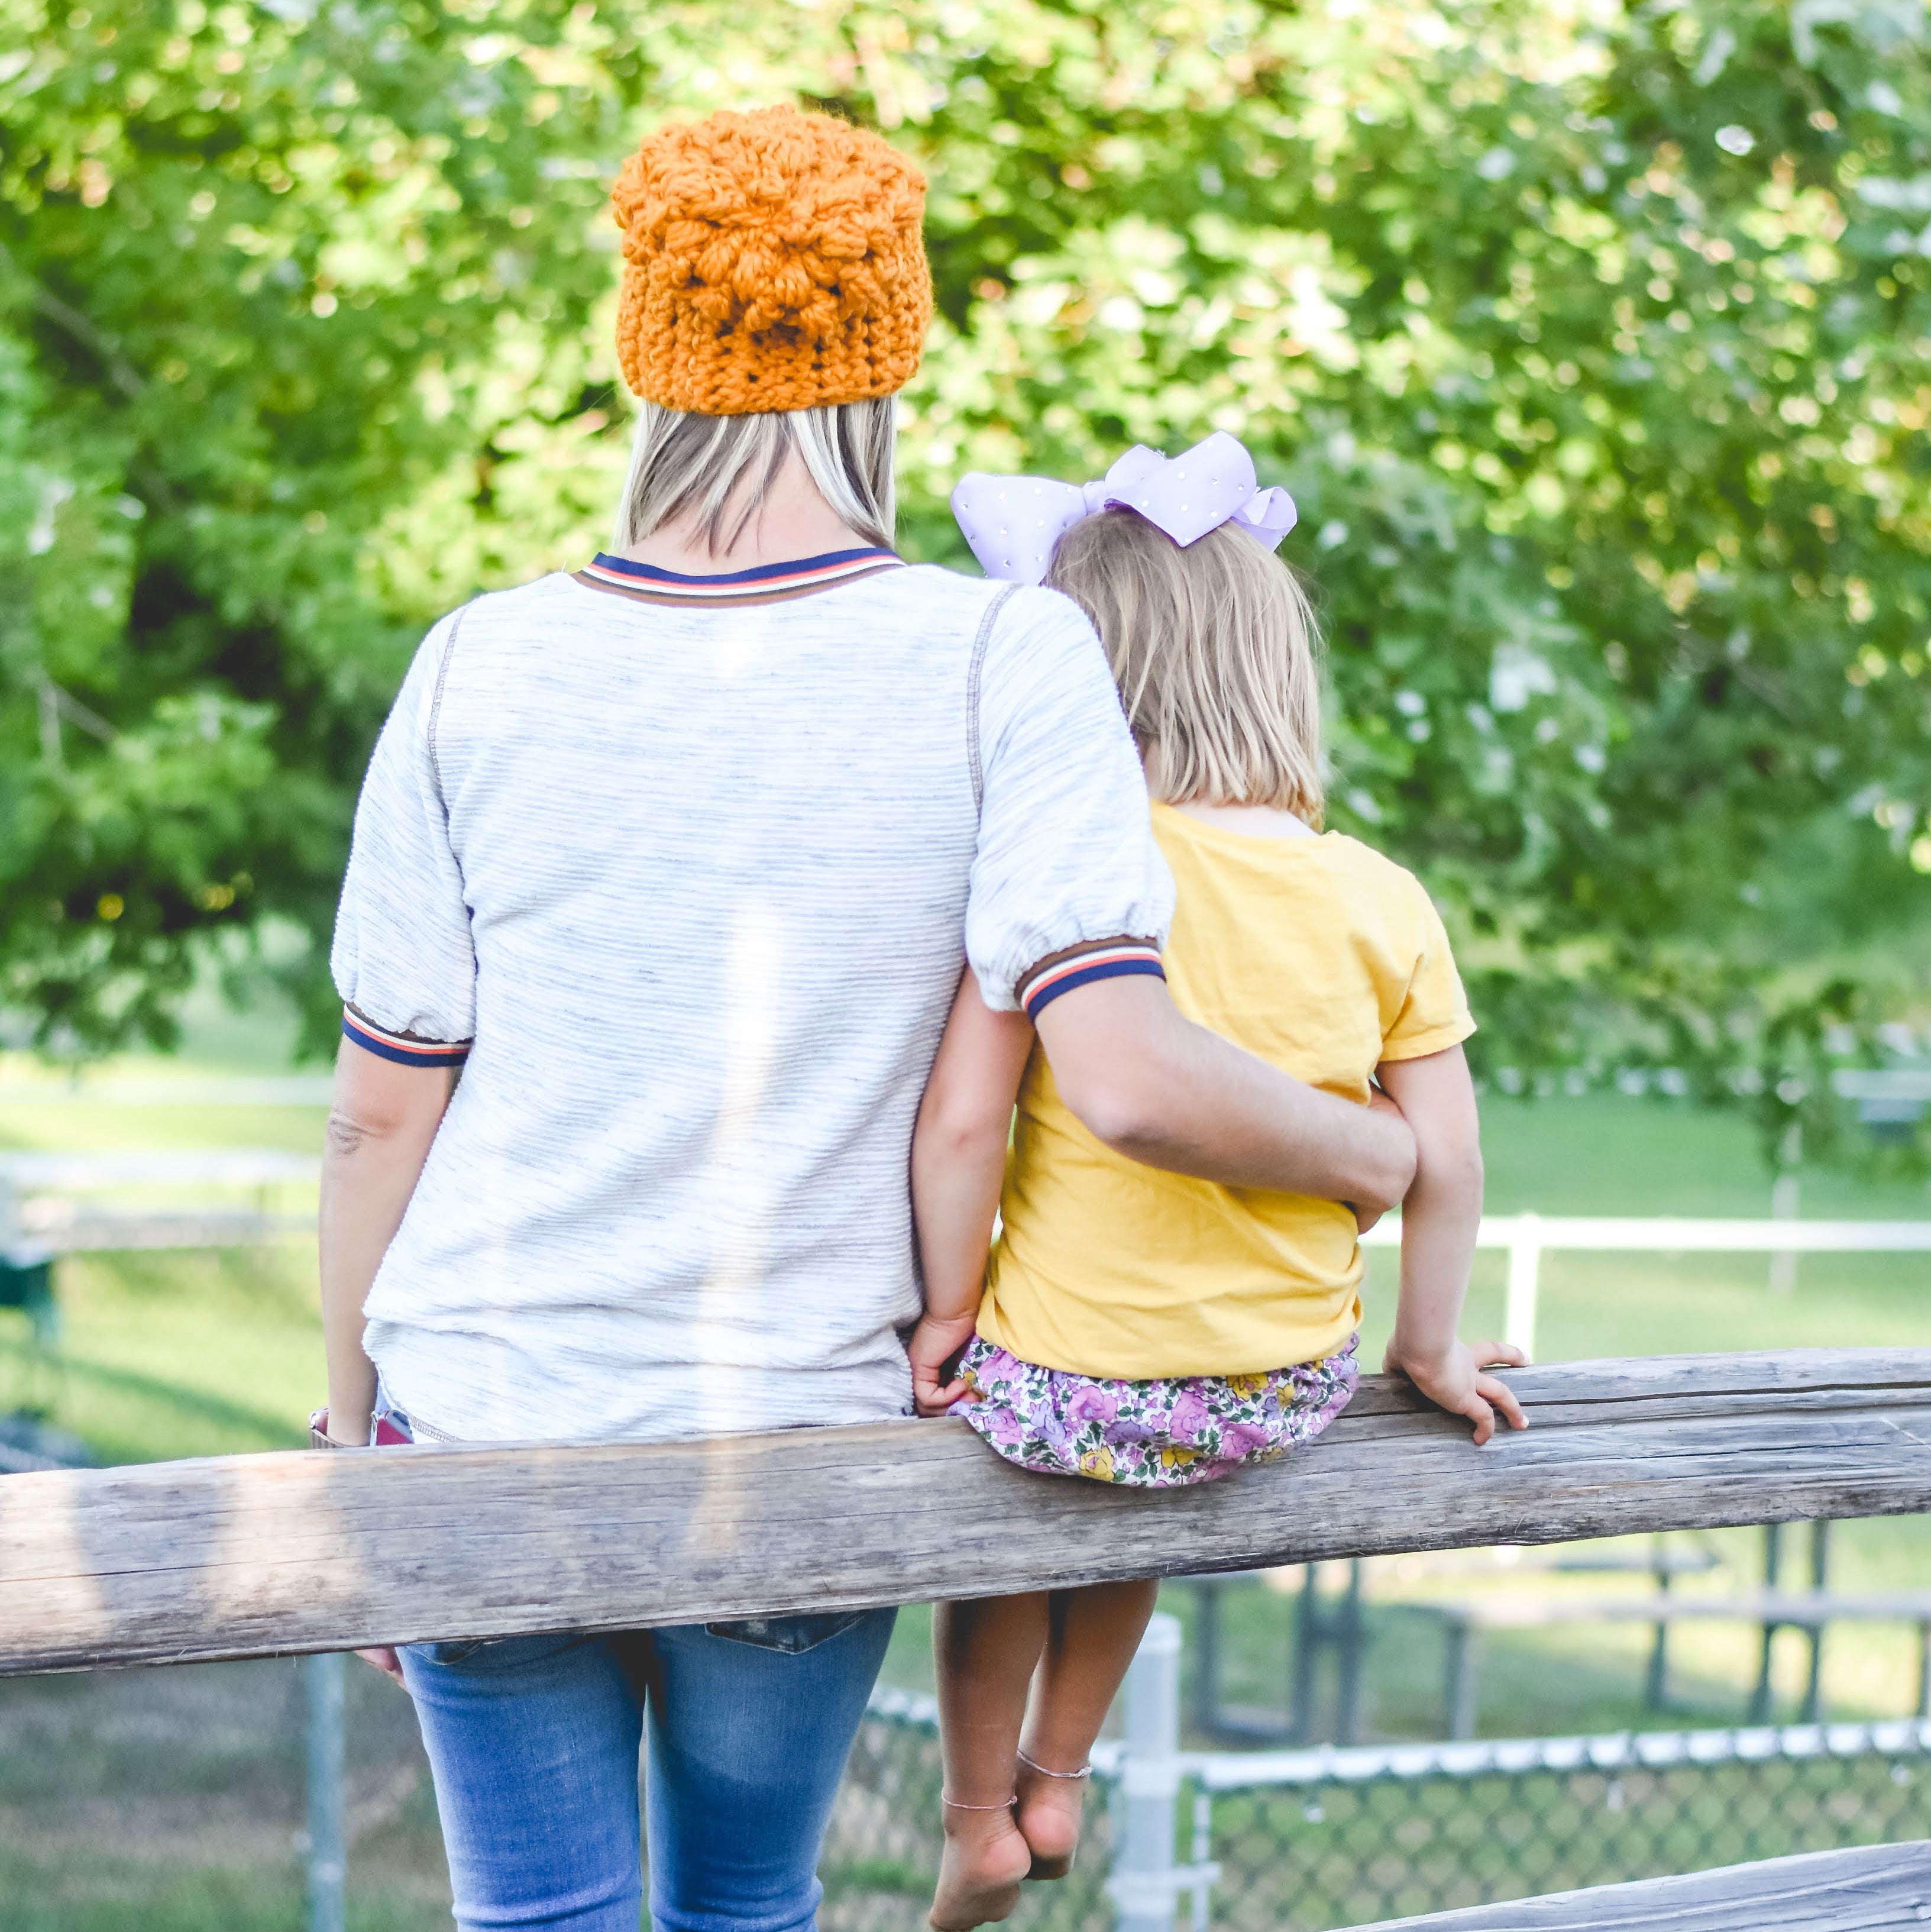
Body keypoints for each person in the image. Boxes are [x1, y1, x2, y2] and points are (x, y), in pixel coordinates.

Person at [315, 108, 1416, 1932]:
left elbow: (379, 1117)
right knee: (749, 1906)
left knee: (536, 1918)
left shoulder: (475, 660)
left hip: (487, 1423)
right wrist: (1380, 1151)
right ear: (887, 352)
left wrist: (352, 1436)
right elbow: (1130, 1080)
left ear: (644, 349)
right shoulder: (998, 656)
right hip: (794, 1445)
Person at [910, 437, 1529, 1931]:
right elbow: (1445, 1158)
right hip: (1270, 1395)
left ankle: (976, 1815)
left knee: (1022, 1517)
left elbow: (958, 1128)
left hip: (1068, 1381)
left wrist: (948, 1313)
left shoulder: (1070, 869)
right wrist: (1427, 1351)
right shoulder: (1383, 897)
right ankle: (1065, 1776)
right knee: (1141, 1512)